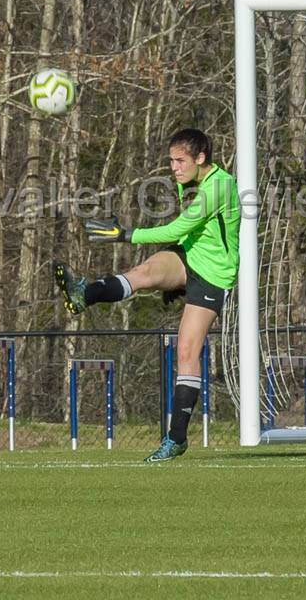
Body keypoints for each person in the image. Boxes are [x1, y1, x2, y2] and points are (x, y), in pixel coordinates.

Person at [53, 128, 240, 463]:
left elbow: (179, 228)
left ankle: (177, 439)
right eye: (171, 161)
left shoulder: (220, 185)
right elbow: (189, 236)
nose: (175, 168)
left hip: (213, 275)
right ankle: (85, 293)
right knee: (144, 274)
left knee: (186, 350)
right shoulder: (192, 181)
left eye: (180, 160)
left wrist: (126, 234)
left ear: (201, 158)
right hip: (189, 257)